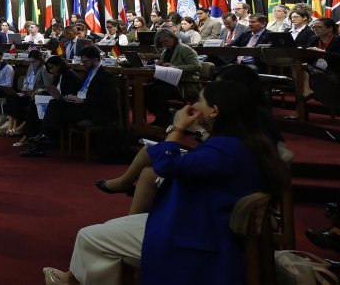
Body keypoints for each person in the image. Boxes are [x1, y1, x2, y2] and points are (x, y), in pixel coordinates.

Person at [44, 81, 288, 285]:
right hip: (207, 221)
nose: (192, 106)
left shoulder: (224, 148)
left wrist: (178, 127)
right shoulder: (247, 140)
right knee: (113, 227)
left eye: (200, 101)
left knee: (88, 236)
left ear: (214, 111)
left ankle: (72, 281)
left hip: (195, 234)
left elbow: (166, 164)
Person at [24, 45, 118, 157]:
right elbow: (83, 91)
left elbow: (108, 99)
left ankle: (43, 139)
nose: (83, 64)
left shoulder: (106, 75)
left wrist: (83, 100)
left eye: (86, 61)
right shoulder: (89, 72)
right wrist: (73, 97)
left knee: (55, 107)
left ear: (95, 59)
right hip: (81, 105)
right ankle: (44, 138)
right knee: (54, 104)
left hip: (94, 110)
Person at [143, 29, 202, 128]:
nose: (164, 44)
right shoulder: (165, 52)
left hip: (184, 84)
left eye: (166, 41)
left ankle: (165, 118)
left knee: (156, 91)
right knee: (145, 89)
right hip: (169, 82)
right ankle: (160, 117)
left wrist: (175, 67)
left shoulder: (185, 49)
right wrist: (161, 65)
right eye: (162, 42)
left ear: (173, 38)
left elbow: (197, 66)